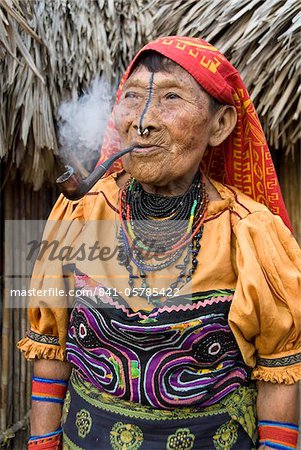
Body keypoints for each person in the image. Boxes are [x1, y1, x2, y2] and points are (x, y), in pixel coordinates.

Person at [18, 36, 300, 450]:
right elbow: (50, 344)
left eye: (170, 97)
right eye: (131, 97)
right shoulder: (80, 214)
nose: (142, 120)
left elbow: (279, 368)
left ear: (220, 125)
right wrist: (42, 443)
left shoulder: (251, 232)